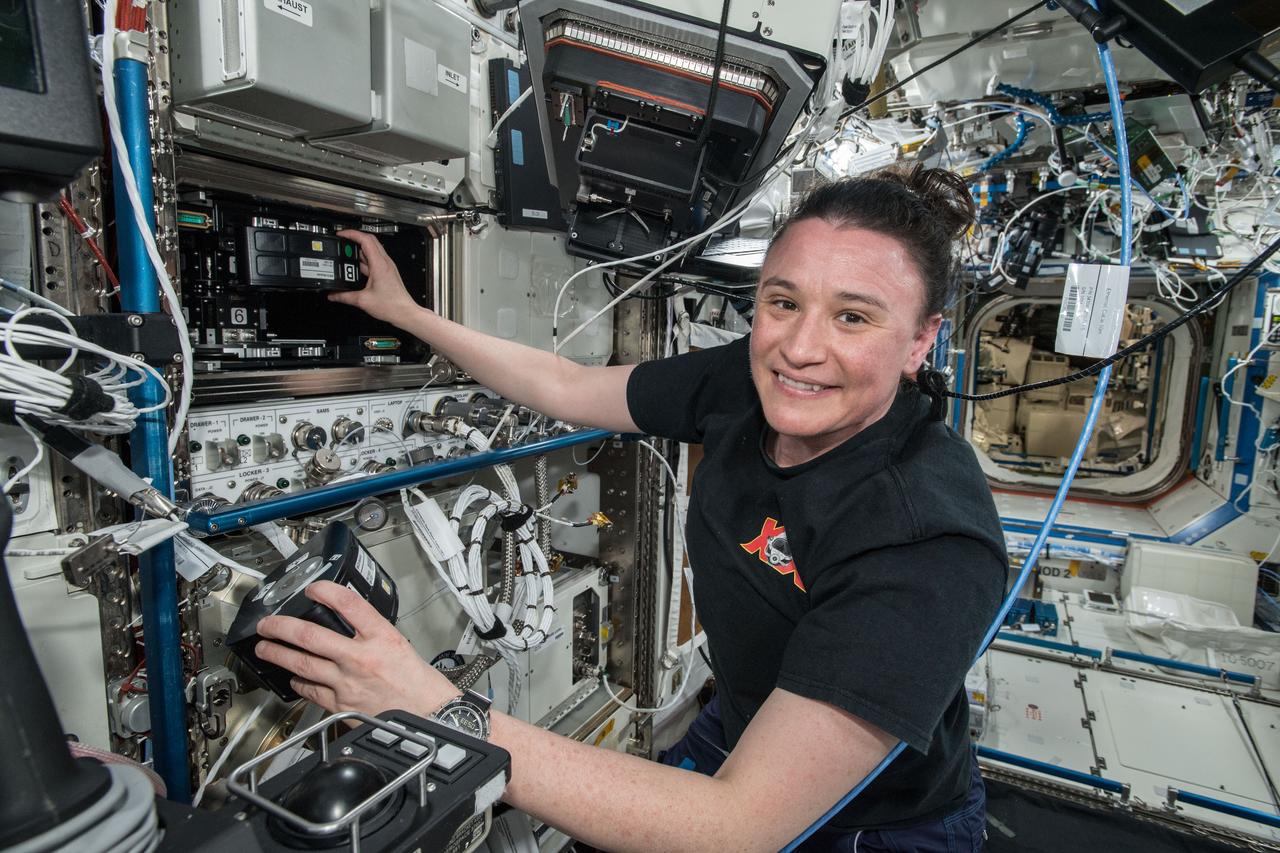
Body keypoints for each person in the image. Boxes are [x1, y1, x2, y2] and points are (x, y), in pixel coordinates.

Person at [254, 164, 1008, 852]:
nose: (801, 347)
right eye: (783, 302)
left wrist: (432, 707)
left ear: (921, 342)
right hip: (744, 730)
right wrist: (408, 314)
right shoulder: (744, 384)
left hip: (880, 825)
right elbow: (561, 386)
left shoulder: (927, 538)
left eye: (854, 317)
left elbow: (737, 826)